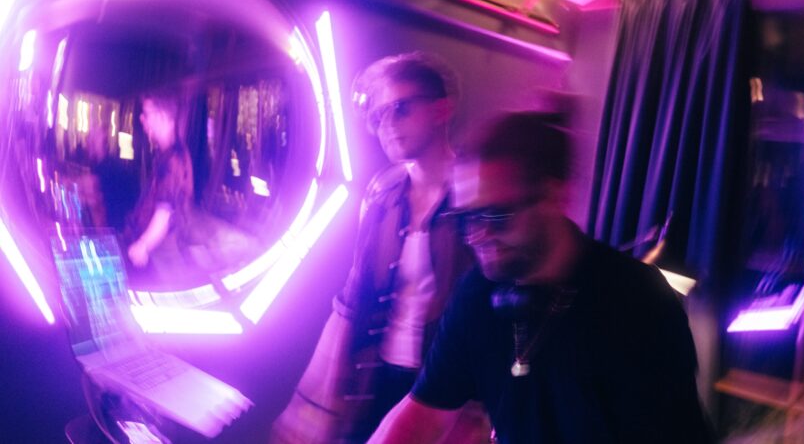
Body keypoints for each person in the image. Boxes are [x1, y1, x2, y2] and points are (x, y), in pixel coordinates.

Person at [369, 112, 712, 443]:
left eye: (497, 215)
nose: (476, 235)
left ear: (553, 196)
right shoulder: (476, 294)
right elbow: (421, 416)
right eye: (467, 218)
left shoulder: (641, 302)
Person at [270, 52, 489, 443]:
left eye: (401, 109)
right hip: (375, 376)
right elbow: (353, 297)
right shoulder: (381, 192)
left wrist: (478, 415)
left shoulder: (475, 197)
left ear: (442, 109)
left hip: (442, 386)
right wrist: (315, 398)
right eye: (378, 116)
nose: (387, 125)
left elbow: (490, 314)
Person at [126, 91, 194, 271]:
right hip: (158, 252)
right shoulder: (164, 154)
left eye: (146, 114)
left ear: (162, 116)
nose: (141, 119)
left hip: (161, 256)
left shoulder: (174, 160)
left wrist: (143, 245)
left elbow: (165, 213)